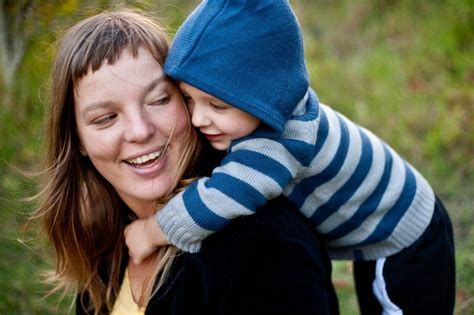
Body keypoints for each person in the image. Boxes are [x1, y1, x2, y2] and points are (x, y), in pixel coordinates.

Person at [125, 1, 456, 314]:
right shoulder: (271, 106)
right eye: (188, 99)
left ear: (263, 95)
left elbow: (218, 200)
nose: (198, 119)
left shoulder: (278, 143)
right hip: (387, 215)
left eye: (218, 106)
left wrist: (150, 232)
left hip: (403, 236)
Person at [32, 8, 339, 314]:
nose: (140, 131)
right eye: (106, 118)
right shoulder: (108, 240)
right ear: (78, 142)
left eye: (159, 100)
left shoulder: (265, 243)